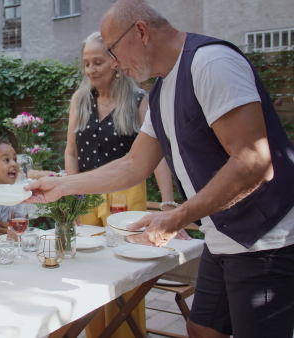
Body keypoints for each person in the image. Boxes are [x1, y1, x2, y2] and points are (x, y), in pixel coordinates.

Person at [24, 1, 294, 337]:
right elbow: (134, 164)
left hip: (264, 238)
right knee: (201, 328)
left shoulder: (211, 62)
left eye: (113, 51)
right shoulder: (164, 87)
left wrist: (176, 216)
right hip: (222, 236)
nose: (115, 64)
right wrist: (64, 186)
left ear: (140, 31)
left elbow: (253, 161)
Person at [65, 31, 189, 338]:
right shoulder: (80, 99)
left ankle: (127, 333)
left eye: (98, 62)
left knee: (125, 271)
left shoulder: (139, 100)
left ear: (115, 63)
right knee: (90, 270)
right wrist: (72, 194)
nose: (91, 69)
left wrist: (167, 203)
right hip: (87, 195)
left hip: (127, 197)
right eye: (86, 64)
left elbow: (157, 156)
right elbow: (71, 151)